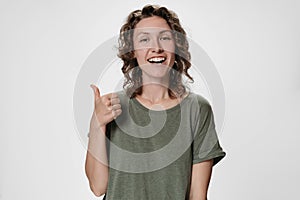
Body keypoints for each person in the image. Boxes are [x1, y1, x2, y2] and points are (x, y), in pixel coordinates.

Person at [85, 5, 226, 200]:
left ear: (176, 47)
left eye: (165, 38)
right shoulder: (112, 107)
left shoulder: (197, 109)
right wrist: (97, 123)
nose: (156, 47)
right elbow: (98, 187)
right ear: (133, 52)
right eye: (144, 39)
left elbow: (198, 194)